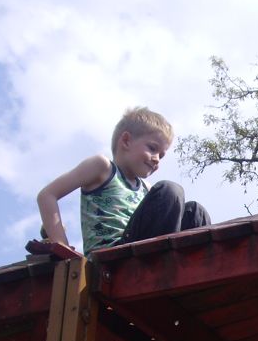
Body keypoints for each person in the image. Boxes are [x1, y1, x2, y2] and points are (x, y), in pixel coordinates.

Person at [37, 106, 210, 252]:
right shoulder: (102, 167)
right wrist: (61, 246)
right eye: (152, 148)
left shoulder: (145, 189)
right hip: (113, 256)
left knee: (195, 211)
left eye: (161, 156)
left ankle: (196, 266)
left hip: (142, 248)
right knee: (171, 191)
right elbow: (47, 195)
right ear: (126, 141)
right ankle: (166, 260)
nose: (157, 158)